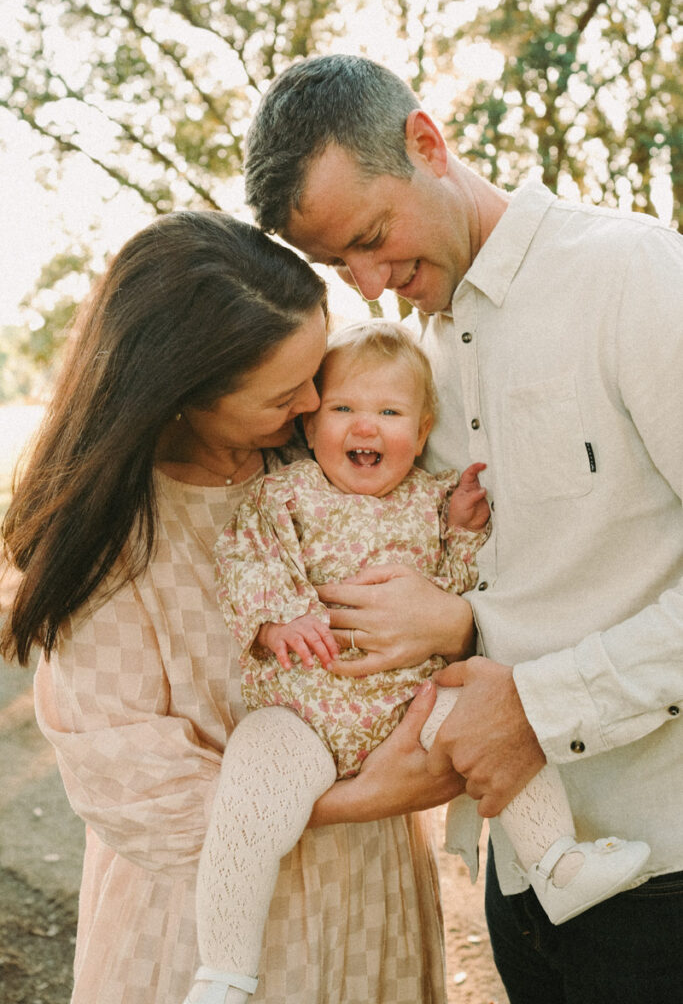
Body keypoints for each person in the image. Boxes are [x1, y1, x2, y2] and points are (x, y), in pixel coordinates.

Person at [243, 54, 683, 1004]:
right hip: (517, 870)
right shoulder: (409, 365)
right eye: (338, 265)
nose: (368, 282)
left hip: (666, 860)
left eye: (372, 235)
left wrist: (540, 703)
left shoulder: (632, 275)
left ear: (426, 143)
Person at [0, 210, 470, 1004]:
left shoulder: (325, 467)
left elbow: (457, 564)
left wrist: (451, 622)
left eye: (316, 371)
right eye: (286, 394)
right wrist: (366, 797)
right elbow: (134, 784)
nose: (319, 401)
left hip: (368, 894)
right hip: (201, 926)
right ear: (182, 395)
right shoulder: (116, 538)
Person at [186, 318, 650, 1004]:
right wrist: (278, 620)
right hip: (305, 709)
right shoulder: (283, 496)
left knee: (498, 718)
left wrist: (463, 533)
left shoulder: (431, 500)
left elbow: (459, 588)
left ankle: (554, 859)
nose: (363, 427)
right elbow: (246, 560)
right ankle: (224, 969)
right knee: (251, 785)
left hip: (416, 703)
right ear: (311, 427)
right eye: (343, 408)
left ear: (422, 427)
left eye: (388, 412)